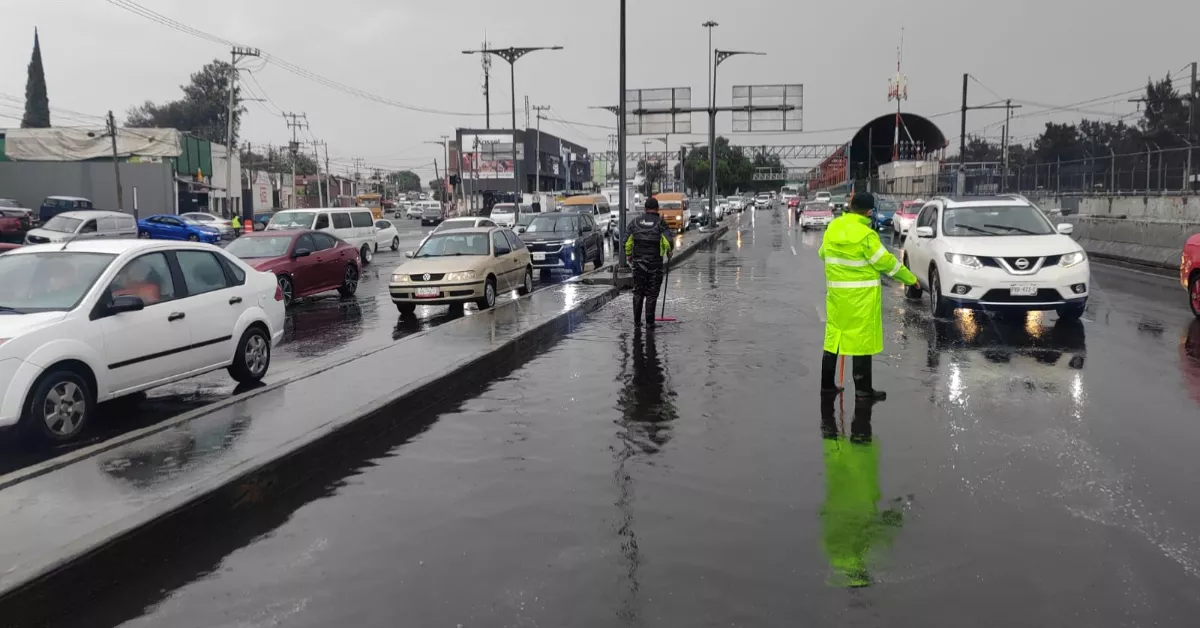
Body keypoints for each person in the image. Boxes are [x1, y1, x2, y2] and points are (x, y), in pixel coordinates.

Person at [818, 191, 918, 400]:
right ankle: (863, 390)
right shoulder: (866, 236)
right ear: (869, 211)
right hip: (861, 300)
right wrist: (910, 279)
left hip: (837, 298)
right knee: (861, 342)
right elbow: (888, 264)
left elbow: (822, 254)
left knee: (834, 338)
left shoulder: (833, 227)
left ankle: (827, 385)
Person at [624, 196, 674, 328]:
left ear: (645, 209)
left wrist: (629, 255)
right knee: (652, 293)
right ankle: (649, 323)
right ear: (657, 209)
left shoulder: (635, 222)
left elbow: (627, 240)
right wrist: (669, 252)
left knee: (638, 292)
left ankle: (637, 322)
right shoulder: (661, 223)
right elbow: (668, 241)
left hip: (638, 263)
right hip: (655, 264)